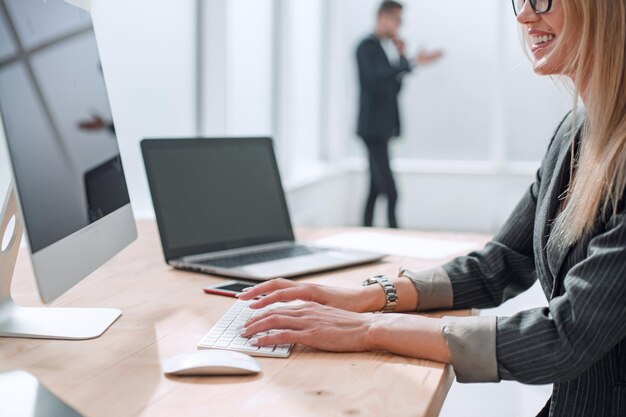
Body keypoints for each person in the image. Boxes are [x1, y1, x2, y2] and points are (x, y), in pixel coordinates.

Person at [238, 0, 626, 415]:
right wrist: (364, 297)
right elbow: (502, 261)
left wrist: (370, 328)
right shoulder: (574, 134)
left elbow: (561, 339)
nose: (525, 16)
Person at [356, 1, 442, 229]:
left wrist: (404, 58)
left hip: (382, 129)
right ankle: (396, 238)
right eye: (396, 20)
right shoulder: (365, 47)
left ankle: (364, 233)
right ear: (382, 17)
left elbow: (393, 88)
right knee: (391, 192)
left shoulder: (384, 50)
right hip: (371, 129)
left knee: (375, 189)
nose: (399, 26)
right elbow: (376, 82)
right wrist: (410, 62)